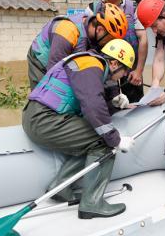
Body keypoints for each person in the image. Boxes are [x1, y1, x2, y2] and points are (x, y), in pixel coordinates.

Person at [22, 39, 136, 219]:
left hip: (39, 116)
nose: (121, 77)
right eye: (124, 71)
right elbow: (92, 104)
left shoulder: (86, 61)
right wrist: (116, 140)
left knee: (92, 137)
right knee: (103, 141)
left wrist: (111, 104)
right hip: (45, 120)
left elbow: (85, 99)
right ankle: (92, 203)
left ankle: (61, 188)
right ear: (114, 63)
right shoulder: (91, 66)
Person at [27, 3, 128, 89]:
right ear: (100, 29)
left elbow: (101, 69)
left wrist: (114, 96)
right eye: (111, 38)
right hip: (42, 60)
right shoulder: (67, 31)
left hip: (68, 52)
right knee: (48, 95)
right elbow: (55, 73)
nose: (111, 43)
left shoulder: (97, 37)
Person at [84, 0, 148, 103]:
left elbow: (143, 39)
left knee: (135, 102)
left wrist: (139, 70)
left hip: (129, 66)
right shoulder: (92, 9)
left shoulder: (133, 8)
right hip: (105, 66)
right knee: (108, 101)